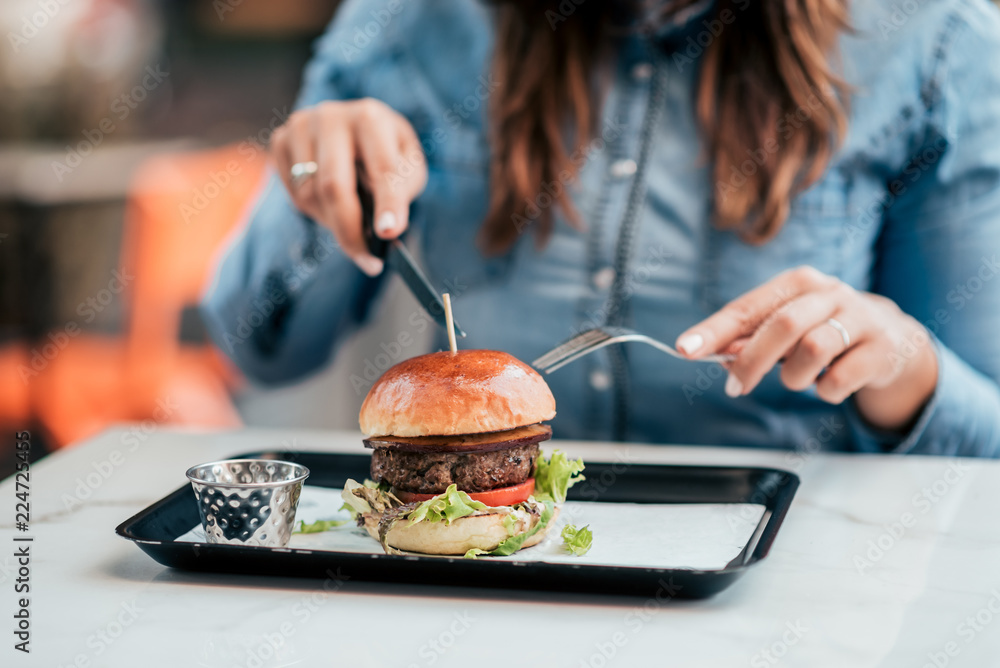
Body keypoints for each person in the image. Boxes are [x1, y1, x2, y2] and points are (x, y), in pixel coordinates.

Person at [201, 0, 1000, 457]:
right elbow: (255, 350)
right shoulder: (413, 20)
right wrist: (308, 194)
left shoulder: (930, 39)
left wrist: (905, 365)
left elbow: (987, 439)